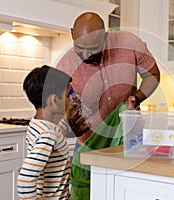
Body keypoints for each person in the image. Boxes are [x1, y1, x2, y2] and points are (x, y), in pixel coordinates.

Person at [56, 12, 160, 145]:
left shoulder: (130, 43)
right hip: (90, 143)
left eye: (93, 49)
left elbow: (153, 75)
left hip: (130, 138)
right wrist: (71, 126)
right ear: (72, 34)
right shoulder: (64, 67)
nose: (86, 55)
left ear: (105, 36)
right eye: (80, 48)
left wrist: (137, 97)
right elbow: (57, 110)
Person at [17, 65, 89, 200]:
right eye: (68, 95)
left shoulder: (37, 125)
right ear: (54, 100)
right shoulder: (48, 135)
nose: (70, 100)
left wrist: (68, 122)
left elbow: (55, 134)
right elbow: (25, 180)